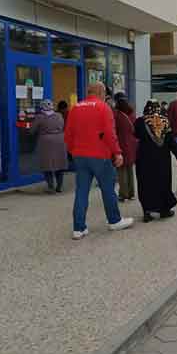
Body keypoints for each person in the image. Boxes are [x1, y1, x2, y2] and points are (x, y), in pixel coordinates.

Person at [64, 82, 134, 240]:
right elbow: (110, 133)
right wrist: (117, 152)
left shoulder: (75, 108)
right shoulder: (103, 108)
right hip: (100, 156)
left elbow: (68, 134)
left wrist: (72, 151)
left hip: (80, 156)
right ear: (101, 92)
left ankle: (78, 228)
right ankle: (114, 220)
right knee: (108, 189)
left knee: (81, 191)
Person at [135, 100, 177, 223]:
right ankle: (164, 210)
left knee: (145, 184)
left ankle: (147, 211)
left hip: (144, 159)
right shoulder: (165, 121)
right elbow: (171, 140)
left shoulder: (140, 122)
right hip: (162, 160)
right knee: (163, 183)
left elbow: (135, 136)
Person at [31, 99, 68, 194]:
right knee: (59, 165)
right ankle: (59, 187)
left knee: (47, 166)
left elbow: (32, 130)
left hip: (46, 143)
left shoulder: (40, 117)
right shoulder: (59, 115)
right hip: (60, 141)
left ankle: (51, 187)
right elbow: (63, 126)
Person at [114, 93, 138, 202]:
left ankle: (123, 194)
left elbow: (114, 130)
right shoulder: (132, 113)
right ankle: (131, 192)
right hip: (132, 144)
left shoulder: (116, 115)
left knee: (121, 170)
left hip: (121, 143)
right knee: (129, 169)